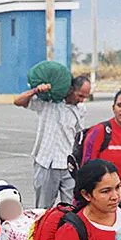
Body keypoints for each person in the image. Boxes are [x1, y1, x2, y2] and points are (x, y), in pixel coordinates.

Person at [13, 76, 90, 208]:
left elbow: (79, 136)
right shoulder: (48, 102)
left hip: (69, 165)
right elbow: (18, 101)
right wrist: (36, 90)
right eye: (80, 95)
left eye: (85, 97)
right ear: (71, 90)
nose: (81, 100)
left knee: (72, 209)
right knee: (43, 210)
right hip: (46, 162)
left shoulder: (80, 109)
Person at [81, 88, 121, 209]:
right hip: (102, 197)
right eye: (120, 105)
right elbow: (86, 167)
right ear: (113, 108)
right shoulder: (99, 131)